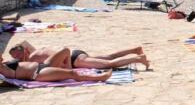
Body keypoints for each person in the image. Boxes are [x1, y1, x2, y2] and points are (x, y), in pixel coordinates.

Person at [8, 43, 149, 70]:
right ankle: (134, 50)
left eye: (18, 56)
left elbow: (52, 62)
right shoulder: (36, 51)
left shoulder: (32, 58)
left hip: (75, 60)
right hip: (76, 54)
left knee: (107, 64)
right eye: (16, 58)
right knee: (108, 57)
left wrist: (68, 69)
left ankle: (138, 58)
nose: (18, 59)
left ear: (24, 51)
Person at [0, 50, 112, 82]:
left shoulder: (5, 64)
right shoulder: (1, 69)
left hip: (43, 65)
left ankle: (66, 68)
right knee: (72, 74)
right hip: (38, 74)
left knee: (66, 50)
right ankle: (100, 77)